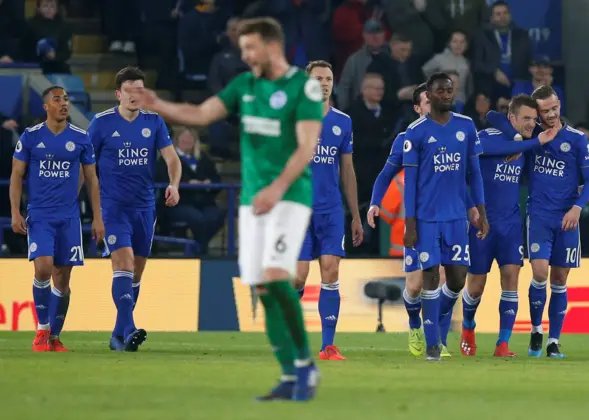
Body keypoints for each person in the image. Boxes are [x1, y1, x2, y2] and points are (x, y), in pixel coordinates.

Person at [130, 17, 322, 402]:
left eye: (250, 48)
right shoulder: (244, 85)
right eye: (242, 48)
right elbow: (202, 115)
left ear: (272, 46)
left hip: (288, 198)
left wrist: (278, 187)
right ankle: (289, 373)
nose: (244, 55)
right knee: (263, 285)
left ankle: (305, 364)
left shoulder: (305, 87)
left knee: (275, 275)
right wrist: (159, 104)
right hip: (254, 202)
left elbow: (307, 147)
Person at [486, 86, 589, 358]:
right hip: (538, 216)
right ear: (536, 113)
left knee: (560, 279)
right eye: (544, 111)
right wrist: (516, 138)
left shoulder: (577, 139)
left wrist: (577, 206)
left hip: (567, 218)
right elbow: (492, 116)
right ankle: (536, 329)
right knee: (539, 273)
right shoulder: (532, 136)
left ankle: (553, 341)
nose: (550, 114)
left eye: (554, 108)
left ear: (560, 104)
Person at [88, 66, 182, 353]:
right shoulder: (101, 123)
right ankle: (129, 329)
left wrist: (174, 184)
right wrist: (89, 207)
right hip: (113, 207)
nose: (133, 96)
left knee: (136, 273)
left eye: (138, 90)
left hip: (144, 209)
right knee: (124, 264)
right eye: (128, 90)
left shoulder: (154, 122)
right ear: (118, 93)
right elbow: (86, 165)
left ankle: (119, 335)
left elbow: (172, 158)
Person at [461, 95, 559, 357]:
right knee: (476, 286)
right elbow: (491, 146)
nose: (531, 124)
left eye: (533, 119)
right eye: (525, 118)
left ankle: (502, 343)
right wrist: (529, 141)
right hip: (482, 223)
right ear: (512, 118)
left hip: (511, 223)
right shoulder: (487, 136)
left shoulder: (525, 143)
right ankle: (468, 325)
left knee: (511, 278)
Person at [10, 86, 104, 352]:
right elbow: (17, 176)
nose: (64, 104)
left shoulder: (81, 138)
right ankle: (41, 330)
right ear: (46, 107)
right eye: (57, 99)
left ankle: (54, 336)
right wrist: (15, 212)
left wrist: (98, 218)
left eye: (66, 100)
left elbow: (93, 180)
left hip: (69, 217)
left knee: (63, 279)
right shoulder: (30, 137)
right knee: (43, 268)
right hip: (40, 215)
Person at [402, 73, 489, 361]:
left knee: (457, 280)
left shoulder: (466, 126)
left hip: (455, 218)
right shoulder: (415, 132)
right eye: (441, 91)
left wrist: (481, 211)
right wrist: (410, 224)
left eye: (450, 90)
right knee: (428, 278)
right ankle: (432, 344)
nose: (447, 95)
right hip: (427, 219)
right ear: (430, 94)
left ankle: (432, 328)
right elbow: (411, 183)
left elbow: (473, 173)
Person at [295, 60, 363, 361]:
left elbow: (347, 171)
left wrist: (356, 215)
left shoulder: (343, 122)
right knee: (297, 278)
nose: (324, 83)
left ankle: (328, 346)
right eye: (318, 78)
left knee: (331, 271)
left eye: (329, 79)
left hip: (331, 211)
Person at [367, 83, 432, 357]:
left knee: (441, 282)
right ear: (417, 108)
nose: (434, 105)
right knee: (415, 286)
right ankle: (415, 323)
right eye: (428, 102)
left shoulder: (455, 132)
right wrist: (374, 202)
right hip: (415, 226)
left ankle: (436, 340)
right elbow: (385, 174)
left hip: (443, 219)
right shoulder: (406, 138)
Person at [156, 127, 225, 255]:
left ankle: (198, 246)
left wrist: (209, 183)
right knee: (197, 218)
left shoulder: (203, 159)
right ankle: (200, 250)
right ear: (176, 141)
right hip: (179, 204)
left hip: (204, 202)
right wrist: (187, 183)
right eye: (184, 139)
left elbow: (216, 179)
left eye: (190, 139)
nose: (188, 142)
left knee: (217, 215)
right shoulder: (167, 160)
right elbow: (163, 180)